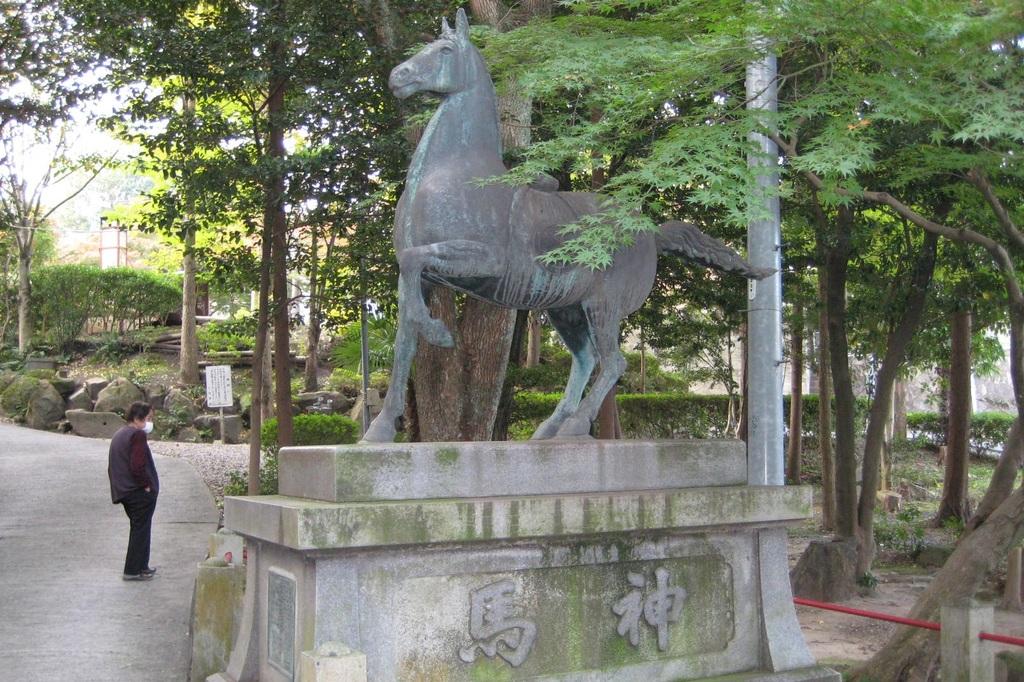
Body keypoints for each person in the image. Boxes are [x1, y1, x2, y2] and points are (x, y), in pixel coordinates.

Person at [108, 401, 159, 581]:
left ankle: (141, 566)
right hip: (137, 492)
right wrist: (146, 485)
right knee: (140, 530)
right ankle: (133, 569)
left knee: (140, 528)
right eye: (148, 419)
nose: (149, 423)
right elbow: (138, 466)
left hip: (123, 490)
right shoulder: (137, 435)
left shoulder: (120, 434)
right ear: (138, 419)